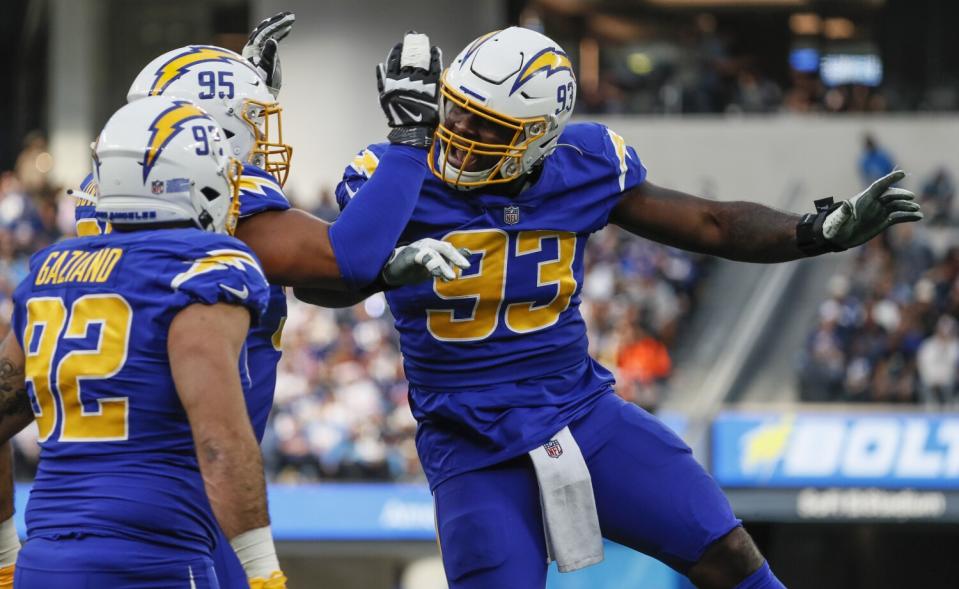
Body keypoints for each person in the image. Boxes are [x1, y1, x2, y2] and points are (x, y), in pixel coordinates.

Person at [297, 27, 922, 589]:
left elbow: (709, 223)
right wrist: (384, 267)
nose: (462, 135)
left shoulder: (585, 164)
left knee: (728, 554)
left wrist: (818, 231)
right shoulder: (397, 172)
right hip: (469, 438)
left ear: (540, 136)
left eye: (489, 126)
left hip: (580, 412)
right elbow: (320, 282)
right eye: (458, 113)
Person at [47, 20, 465, 589]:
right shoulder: (213, 241)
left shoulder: (93, 226)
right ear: (202, 133)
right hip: (184, 501)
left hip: (73, 508)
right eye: (247, 122)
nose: (259, 139)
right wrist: (412, 142)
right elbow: (347, 259)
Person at [0, 95, 283, 588]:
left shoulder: (50, 268)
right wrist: (264, 575)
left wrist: (7, 556)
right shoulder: (203, 267)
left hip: (44, 563)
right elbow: (219, 444)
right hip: (152, 560)